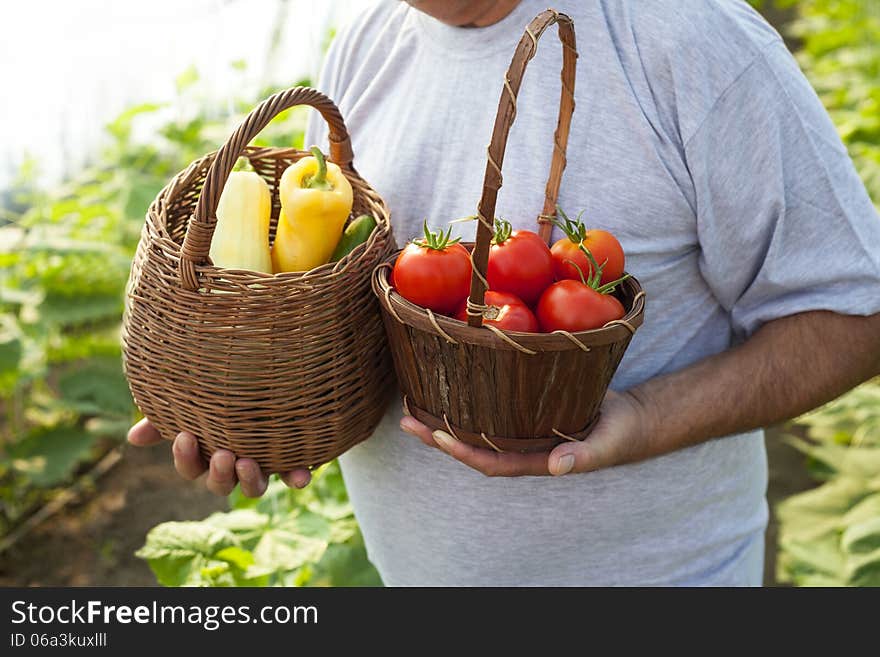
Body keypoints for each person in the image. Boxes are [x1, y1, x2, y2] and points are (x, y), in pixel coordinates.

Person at [128, 0, 880, 585]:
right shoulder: (368, 41)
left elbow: (859, 315)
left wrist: (643, 419)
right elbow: (382, 323)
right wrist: (268, 413)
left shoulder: (693, 41)